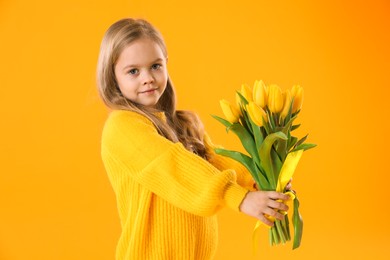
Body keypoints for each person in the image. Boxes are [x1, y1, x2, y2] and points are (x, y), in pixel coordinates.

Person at [97, 18, 290, 260]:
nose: (147, 77)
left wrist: (259, 178)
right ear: (113, 77)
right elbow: (172, 166)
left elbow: (215, 159)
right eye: (133, 71)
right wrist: (239, 198)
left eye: (155, 66)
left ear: (166, 64)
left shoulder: (181, 123)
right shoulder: (122, 127)